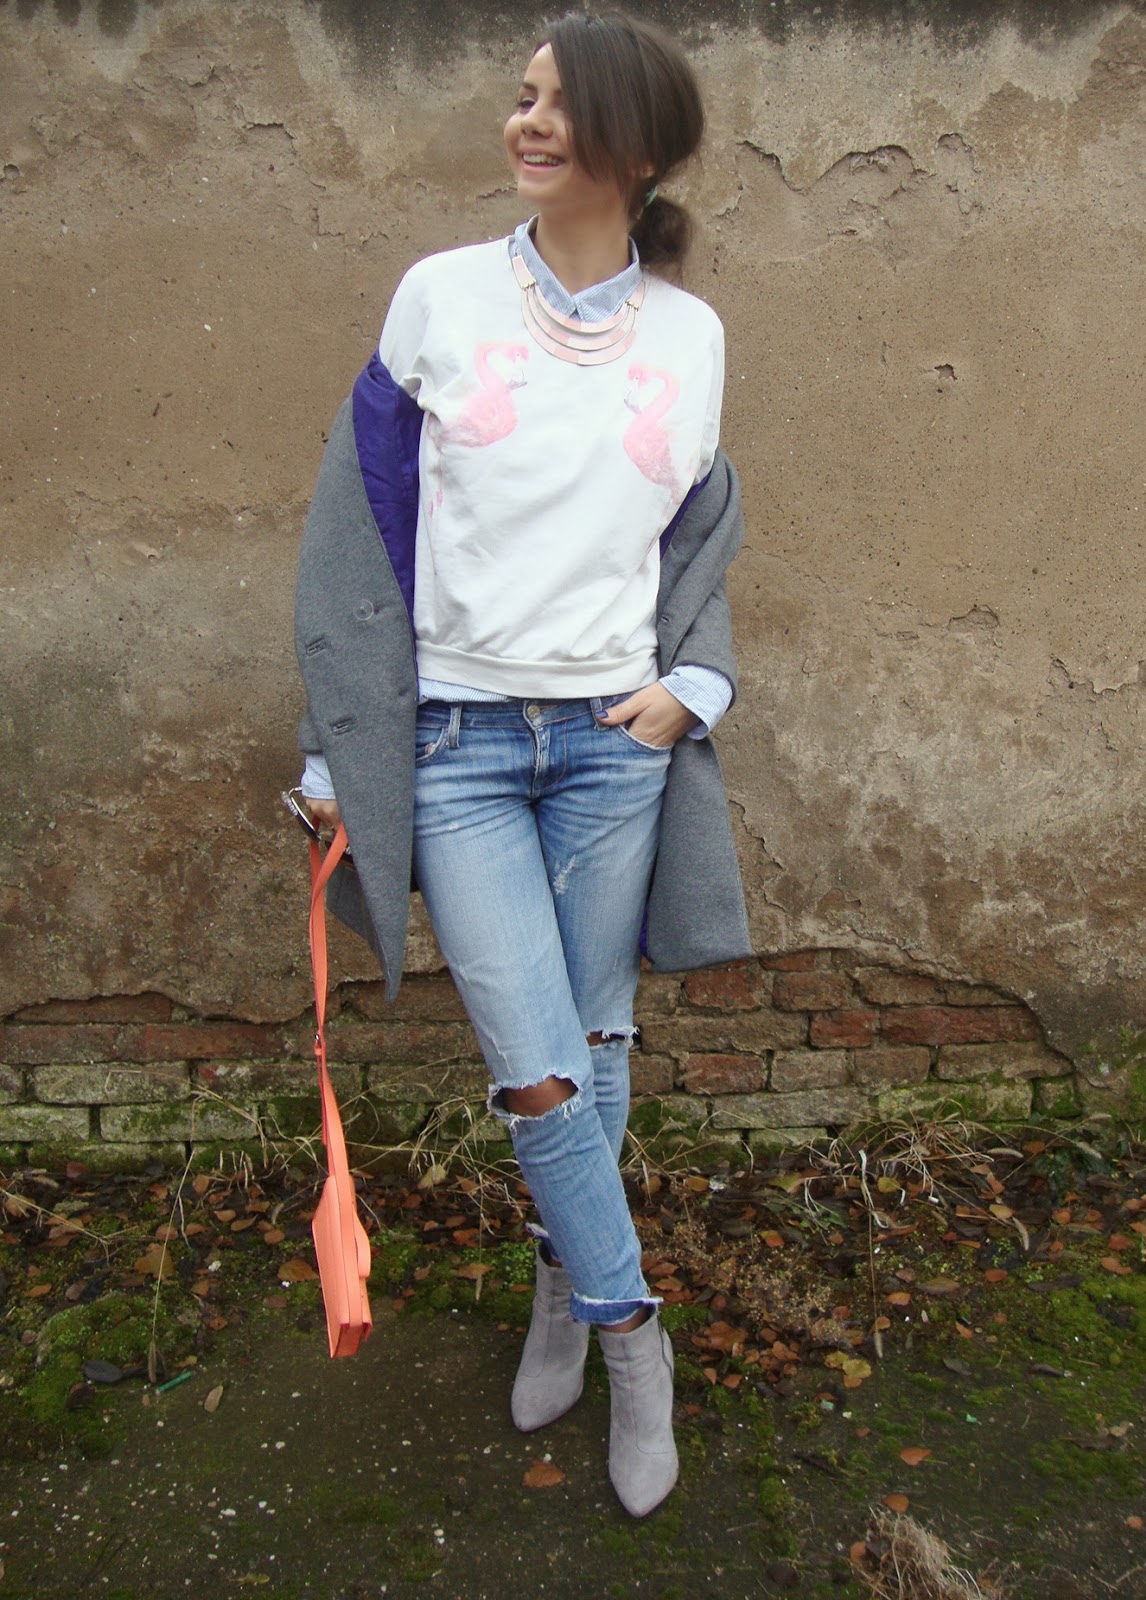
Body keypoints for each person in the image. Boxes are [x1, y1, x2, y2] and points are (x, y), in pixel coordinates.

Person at [293, 10, 750, 1518]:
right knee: (538, 1070)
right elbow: (360, 536)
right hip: (455, 746)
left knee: (599, 1051)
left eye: (560, 104)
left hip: (614, 747)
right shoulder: (439, 298)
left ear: (638, 143)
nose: (527, 122)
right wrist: (335, 746)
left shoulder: (690, 336)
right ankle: (632, 1334)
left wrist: (695, 686)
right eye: (523, 97)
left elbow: (699, 537)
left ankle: (561, 1296)